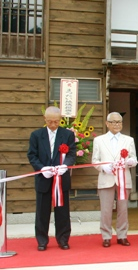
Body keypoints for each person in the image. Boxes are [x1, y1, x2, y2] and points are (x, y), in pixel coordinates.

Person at [27, 106, 76, 251]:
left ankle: (63, 239)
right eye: (50, 122)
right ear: (45, 119)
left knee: (62, 212)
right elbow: (32, 155)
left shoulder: (67, 135)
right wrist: (41, 168)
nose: (53, 125)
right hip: (44, 179)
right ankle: (42, 240)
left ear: (60, 120)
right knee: (42, 212)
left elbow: (72, 154)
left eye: (56, 122)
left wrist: (65, 166)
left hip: (61, 180)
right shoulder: (36, 135)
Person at [92, 112, 137, 247]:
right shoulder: (99, 140)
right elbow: (95, 160)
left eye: (119, 122)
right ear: (107, 123)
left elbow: (134, 159)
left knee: (123, 209)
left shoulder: (129, 140)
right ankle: (106, 236)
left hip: (123, 178)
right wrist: (102, 167)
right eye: (114, 122)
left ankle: (122, 235)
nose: (117, 124)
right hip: (106, 177)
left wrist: (130, 162)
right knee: (106, 209)